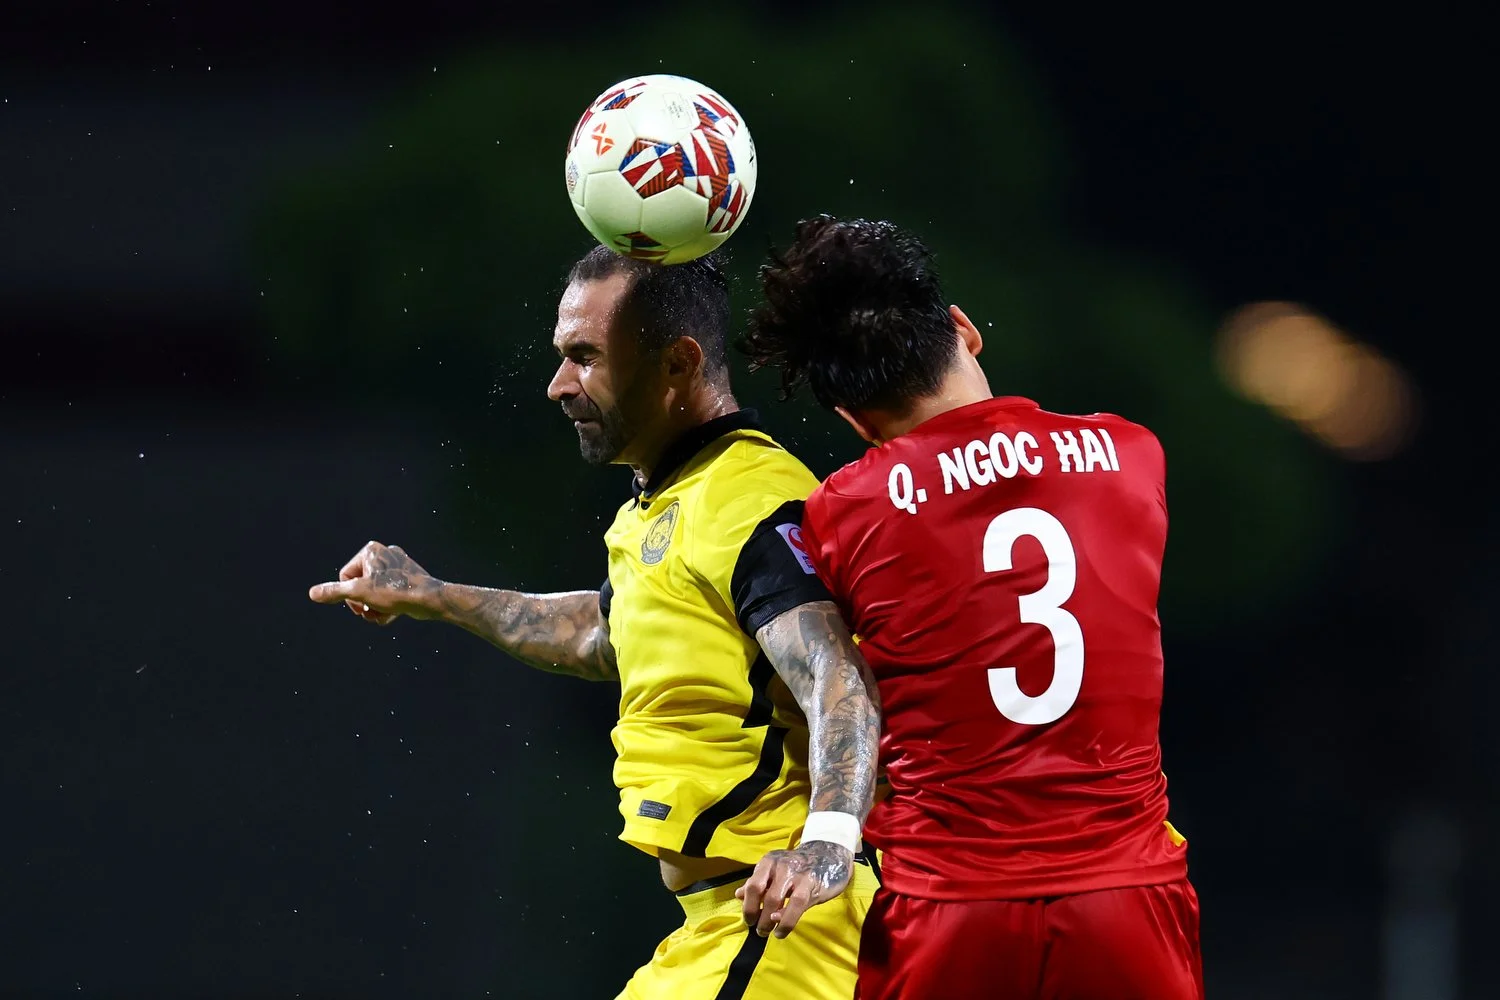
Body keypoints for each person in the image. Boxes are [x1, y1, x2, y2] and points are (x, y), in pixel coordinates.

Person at [307, 246, 881, 999]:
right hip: (722, 929)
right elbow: (603, 633)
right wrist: (433, 594)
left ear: (679, 364)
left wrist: (825, 850)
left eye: (584, 357)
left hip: (784, 927)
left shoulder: (750, 502)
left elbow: (840, 679)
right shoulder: (670, 502)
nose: (558, 385)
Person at [735, 216, 1202, 1000]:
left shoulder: (844, 511)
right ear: (965, 331)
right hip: (1124, 904)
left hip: (950, 911)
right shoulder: (1130, 455)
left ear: (851, 417)